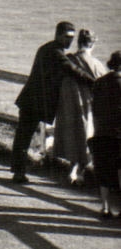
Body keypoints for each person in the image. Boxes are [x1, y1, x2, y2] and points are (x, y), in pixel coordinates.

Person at [11, 21, 78, 184]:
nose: (70, 41)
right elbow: (72, 69)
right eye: (67, 37)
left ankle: (18, 170)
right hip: (33, 102)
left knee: (23, 136)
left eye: (73, 38)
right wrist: (95, 82)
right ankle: (18, 173)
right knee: (24, 137)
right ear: (58, 35)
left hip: (31, 99)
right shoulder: (55, 52)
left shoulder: (48, 48)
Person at [52, 29, 105, 184]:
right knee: (86, 137)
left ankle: (73, 169)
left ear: (78, 42)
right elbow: (103, 85)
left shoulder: (69, 59)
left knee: (72, 137)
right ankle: (79, 172)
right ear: (93, 44)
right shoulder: (96, 64)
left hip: (68, 104)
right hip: (86, 105)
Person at [89, 51, 121, 219]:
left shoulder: (99, 83)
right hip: (119, 134)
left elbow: (94, 108)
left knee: (105, 172)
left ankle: (105, 207)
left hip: (102, 132)